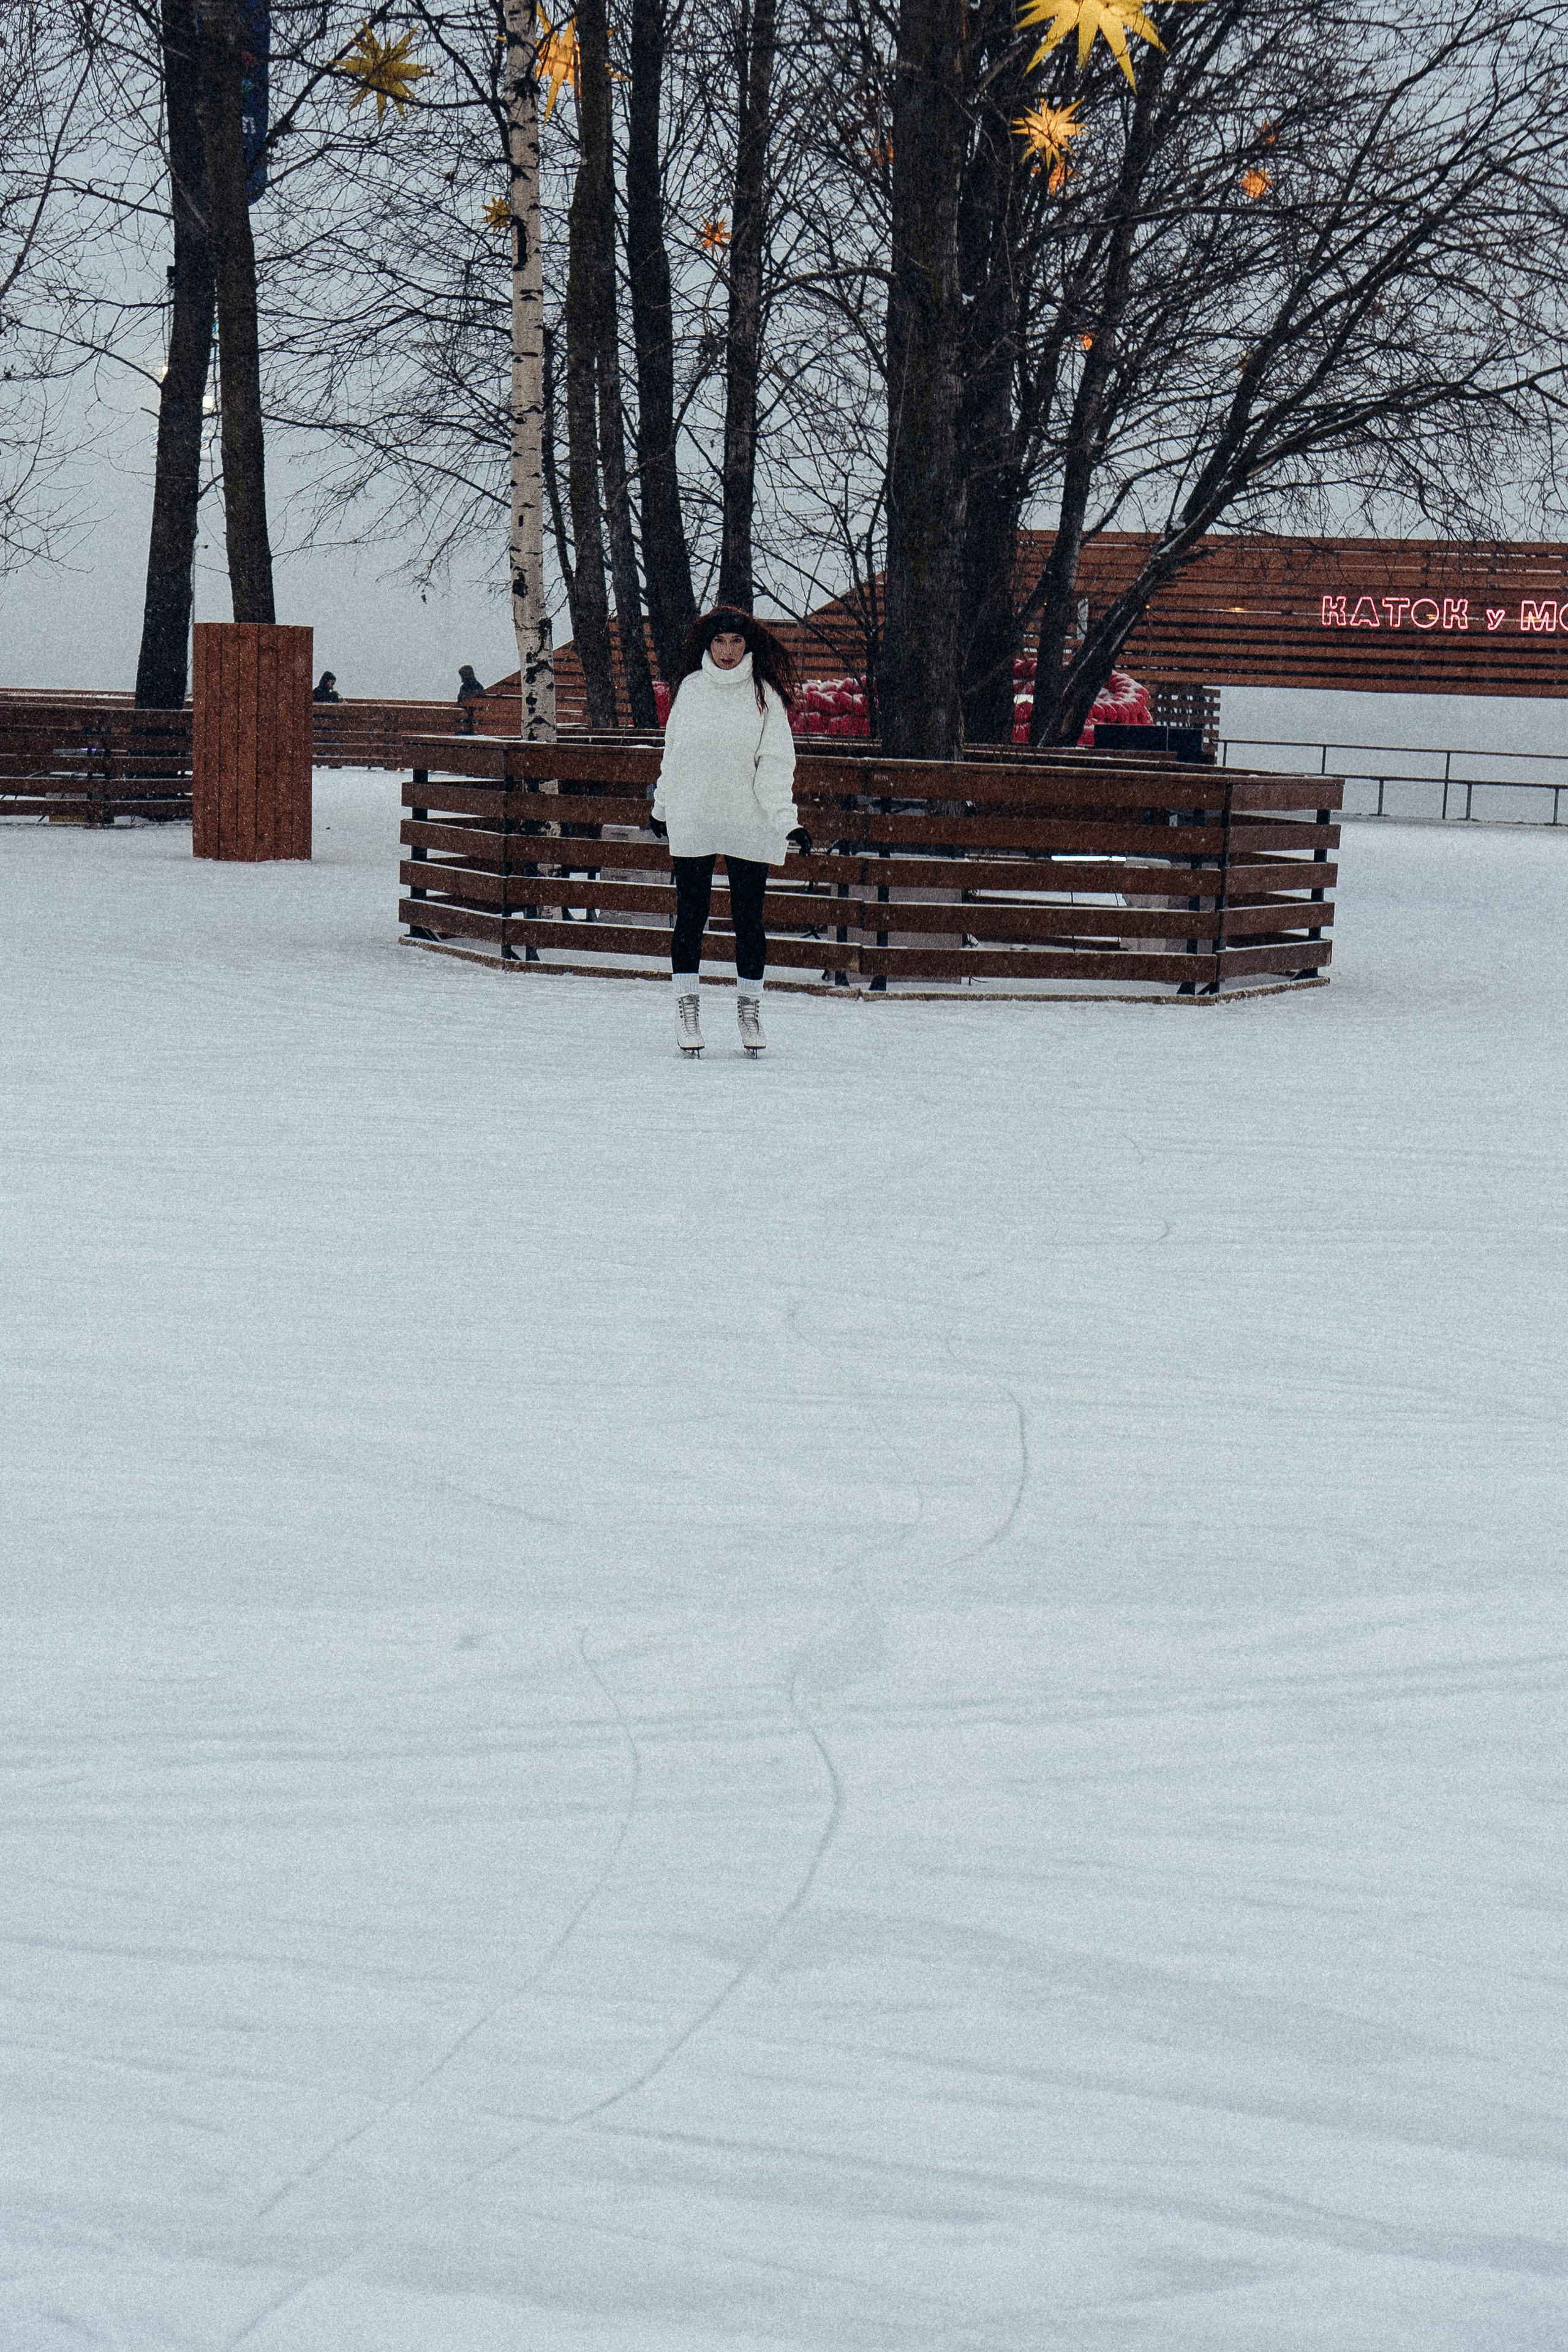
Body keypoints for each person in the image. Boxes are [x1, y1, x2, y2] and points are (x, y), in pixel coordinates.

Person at [650, 606, 810, 1058]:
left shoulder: (764, 696)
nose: (727, 651)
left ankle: (750, 1009)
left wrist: (787, 820)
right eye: (719, 641)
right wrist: (662, 805)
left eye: (736, 641)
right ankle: (687, 1010)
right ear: (707, 643)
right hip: (696, 814)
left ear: (748, 644)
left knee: (749, 919)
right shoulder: (691, 690)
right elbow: (675, 755)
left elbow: (775, 766)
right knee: (691, 915)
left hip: (748, 818)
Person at [456, 664, 486, 733]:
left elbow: (461, 703)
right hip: (478, 719)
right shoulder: (479, 687)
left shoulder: (465, 688)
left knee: (453, 715)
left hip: (467, 719)